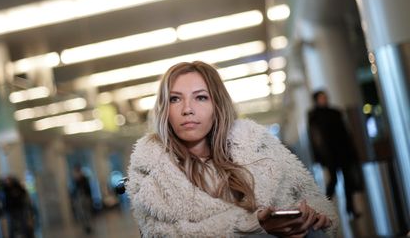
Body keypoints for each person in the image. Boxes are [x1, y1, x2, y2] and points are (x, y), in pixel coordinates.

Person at [127, 61, 338, 237]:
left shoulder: (258, 147)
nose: (187, 109)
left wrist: (312, 217)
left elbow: (309, 196)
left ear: (217, 105)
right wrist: (254, 226)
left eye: (201, 97)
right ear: (165, 109)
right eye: (175, 99)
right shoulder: (150, 169)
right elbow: (164, 233)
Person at [307, 90, 363, 218]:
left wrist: (352, 151)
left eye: (325, 97)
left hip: (343, 152)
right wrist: (318, 157)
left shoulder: (335, 112)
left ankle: (350, 209)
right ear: (316, 100)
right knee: (333, 180)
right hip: (329, 155)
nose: (324, 99)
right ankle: (324, 208)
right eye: (321, 98)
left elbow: (346, 134)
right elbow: (314, 139)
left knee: (348, 180)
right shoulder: (314, 116)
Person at [71, 165, 93, 234]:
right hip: (79, 198)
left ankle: (88, 226)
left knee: (87, 212)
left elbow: (88, 188)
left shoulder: (84, 178)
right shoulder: (75, 179)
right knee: (82, 213)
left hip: (85, 197)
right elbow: (74, 190)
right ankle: (85, 226)